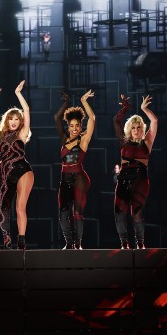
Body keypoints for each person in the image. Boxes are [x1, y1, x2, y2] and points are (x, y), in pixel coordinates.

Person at [0, 80, 34, 250]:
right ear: (6, 121)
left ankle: (21, 241)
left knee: (20, 207)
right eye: (11, 119)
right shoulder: (0, 135)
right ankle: (7, 242)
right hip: (7, 175)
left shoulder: (22, 133)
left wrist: (18, 94)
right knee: (3, 209)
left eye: (17, 119)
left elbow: (27, 110)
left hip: (22, 170)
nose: (14, 121)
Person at [112, 94, 158, 250]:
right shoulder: (123, 141)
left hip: (141, 179)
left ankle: (140, 243)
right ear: (129, 130)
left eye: (139, 127)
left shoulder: (147, 142)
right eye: (133, 127)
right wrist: (125, 108)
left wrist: (144, 109)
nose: (136, 130)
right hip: (123, 179)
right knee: (119, 213)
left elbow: (155, 121)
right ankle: (124, 244)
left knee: (136, 213)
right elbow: (116, 121)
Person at [53, 88, 96, 250]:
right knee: (63, 213)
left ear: (80, 126)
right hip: (64, 178)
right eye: (72, 126)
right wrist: (66, 103)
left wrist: (84, 102)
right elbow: (57, 117)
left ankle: (78, 244)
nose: (75, 128)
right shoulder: (64, 138)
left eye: (77, 125)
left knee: (77, 212)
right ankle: (69, 243)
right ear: (68, 126)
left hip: (79, 178)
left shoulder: (83, 140)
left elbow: (92, 117)